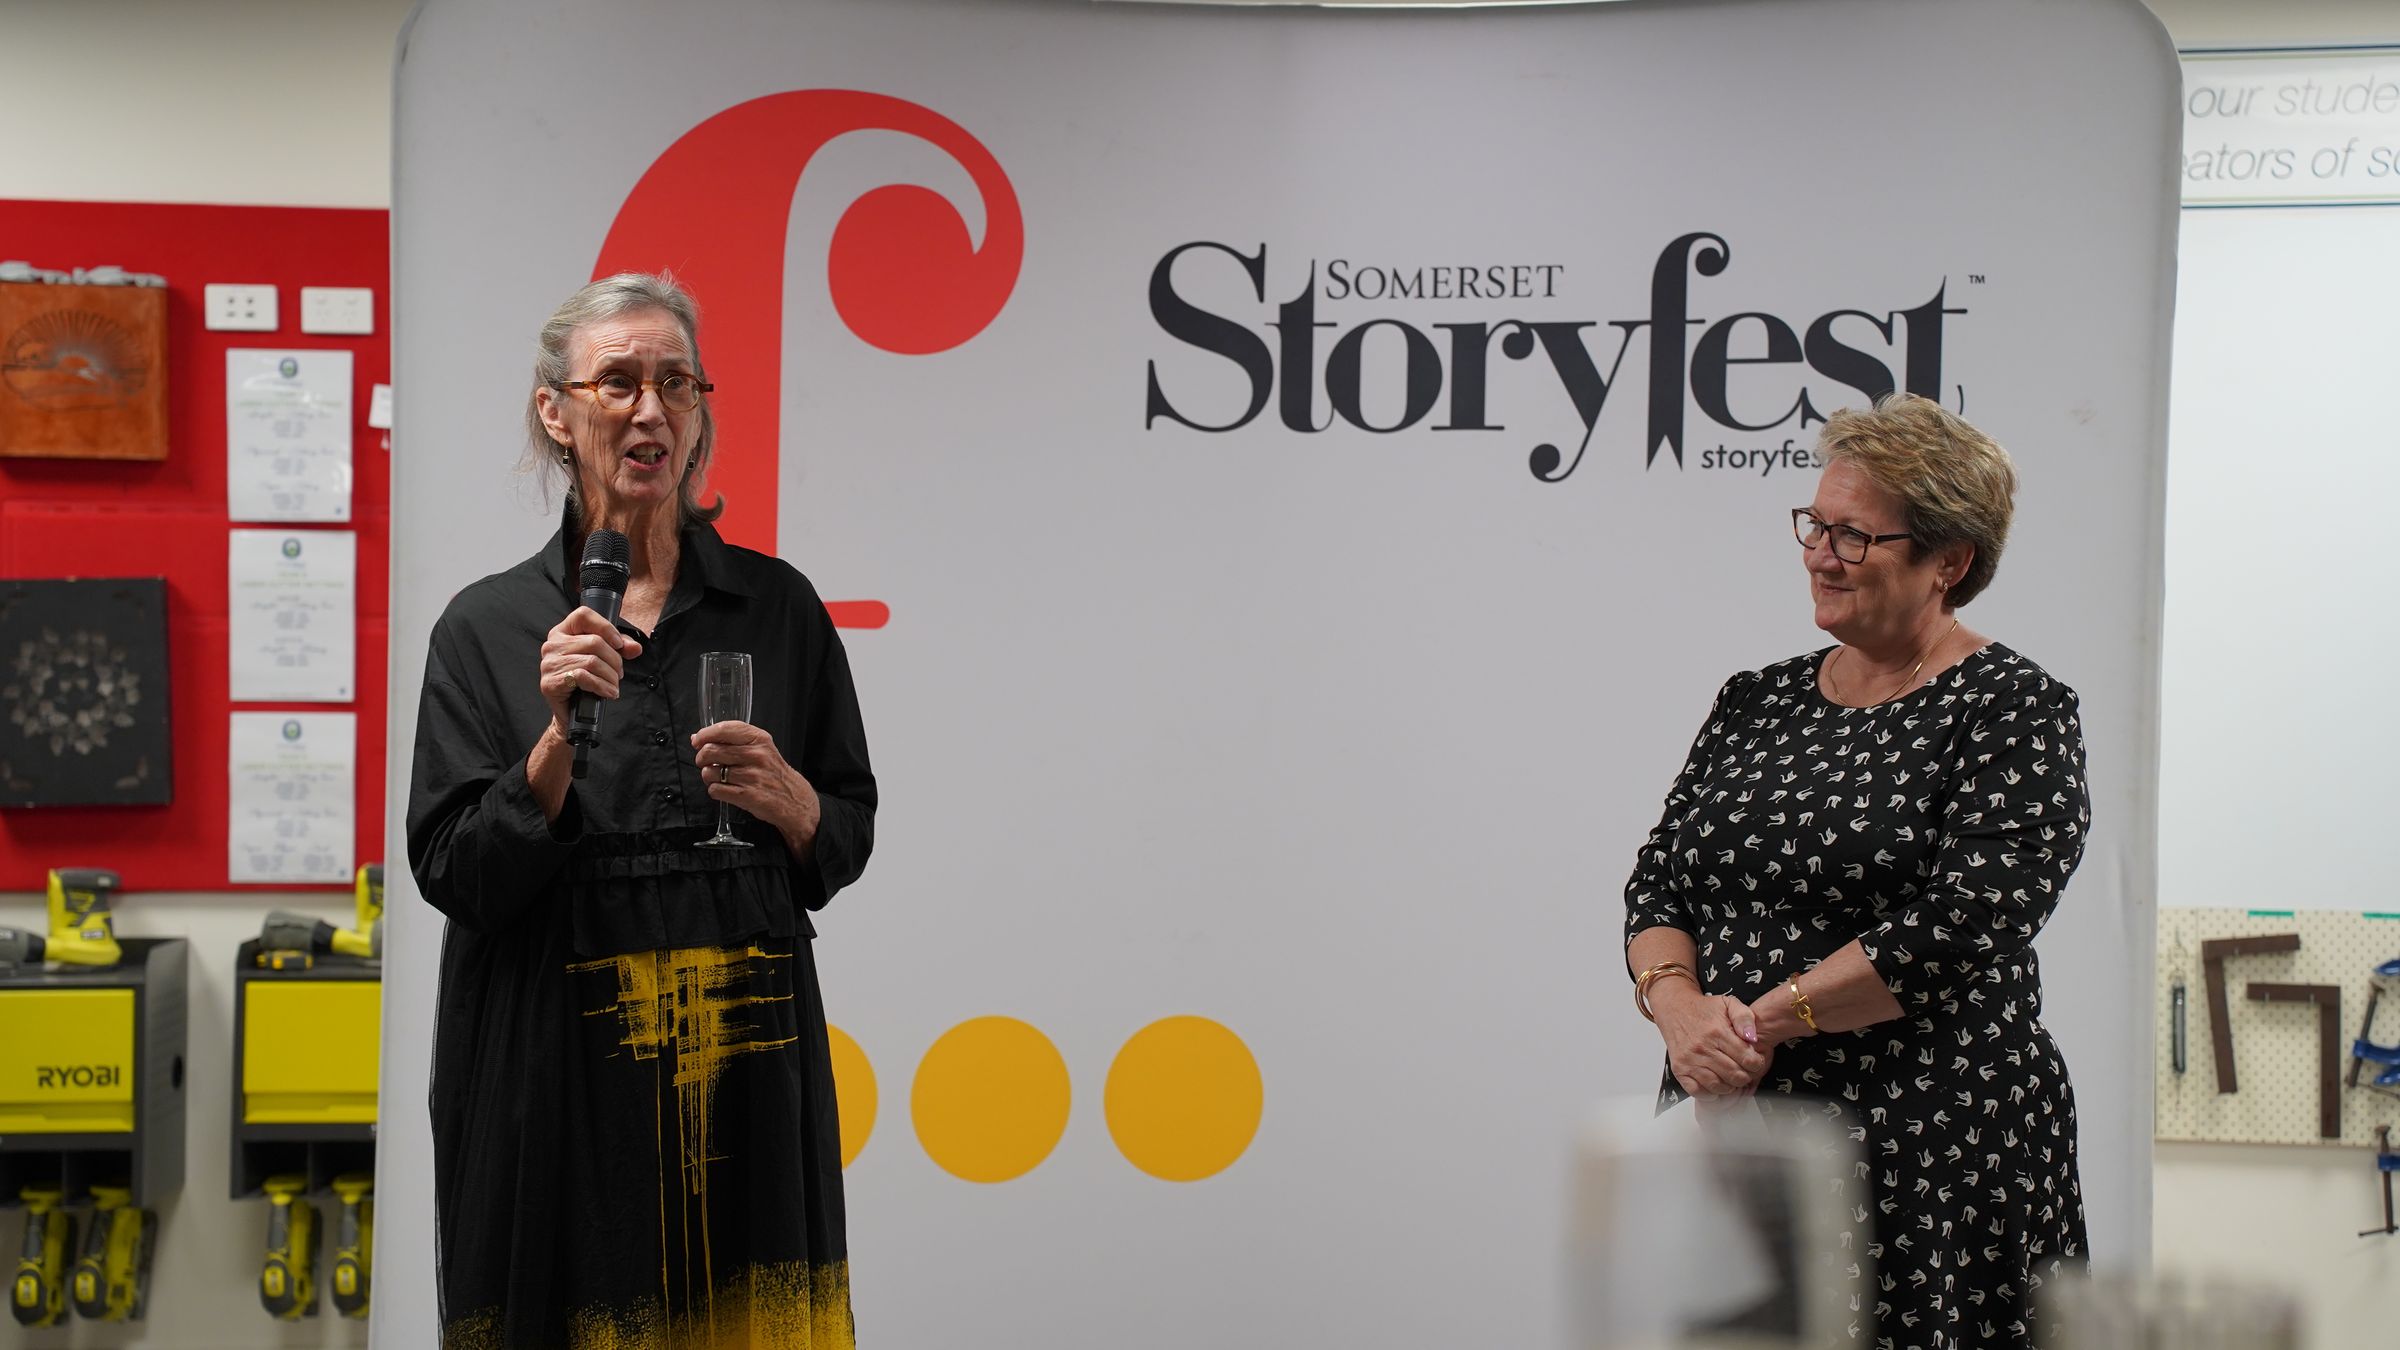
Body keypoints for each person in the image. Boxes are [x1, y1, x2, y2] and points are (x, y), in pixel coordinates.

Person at [408, 272, 875, 1348]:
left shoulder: (779, 607)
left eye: (676, 383)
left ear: (700, 412)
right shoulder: (483, 628)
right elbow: (456, 873)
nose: (650, 409)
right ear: (555, 411)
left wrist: (797, 804)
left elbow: (846, 832)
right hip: (555, 1078)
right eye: (617, 382)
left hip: (746, 1065)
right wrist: (553, 741)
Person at [1622, 393, 2088, 1350]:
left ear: (1949, 561)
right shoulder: (1756, 700)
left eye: (1855, 536)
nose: (1820, 555)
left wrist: (1753, 1025)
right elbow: (1661, 880)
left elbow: (1965, 921)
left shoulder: (2015, 709)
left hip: (1926, 1150)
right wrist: (1680, 1012)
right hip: (1734, 1123)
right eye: (1815, 525)